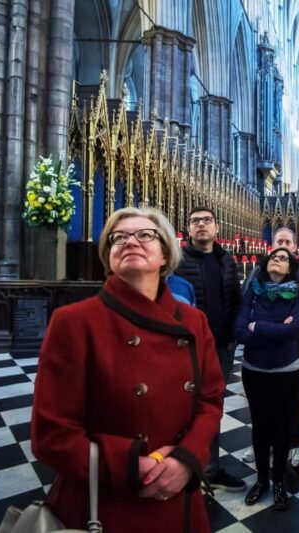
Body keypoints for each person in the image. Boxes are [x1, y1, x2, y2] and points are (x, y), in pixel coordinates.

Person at [31, 207, 224, 532]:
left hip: (177, 499)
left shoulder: (193, 321)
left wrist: (186, 460)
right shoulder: (75, 321)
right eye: (118, 238)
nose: (130, 241)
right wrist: (133, 466)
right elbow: (51, 433)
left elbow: (210, 401)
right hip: (106, 502)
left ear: (165, 253)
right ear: (109, 256)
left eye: (144, 235)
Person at [175, 206, 246, 492]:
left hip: (221, 347)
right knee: (182, 409)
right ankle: (183, 465)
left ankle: (210, 467)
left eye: (207, 221)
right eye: (195, 222)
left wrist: (235, 336)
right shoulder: (176, 261)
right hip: (187, 349)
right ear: (188, 229)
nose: (201, 225)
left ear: (216, 228)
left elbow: (236, 300)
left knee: (211, 407)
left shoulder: (226, 259)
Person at [234, 248, 299, 510]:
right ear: (266, 264)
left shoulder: (298, 292)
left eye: (284, 258)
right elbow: (240, 330)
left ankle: (278, 481)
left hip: (286, 369)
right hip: (255, 370)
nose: (278, 259)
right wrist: (276, 330)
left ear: (291, 268)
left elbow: (295, 329)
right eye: (274, 256)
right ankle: (261, 479)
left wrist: (259, 326)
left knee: (282, 428)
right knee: (260, 427)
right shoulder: (253, 289)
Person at [240, 227, 299, 470]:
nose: (282, 245)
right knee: (261, 405)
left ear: (294, 245)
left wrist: (257, 327)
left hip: (290, 353)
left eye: (287, 242)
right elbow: (242, 318)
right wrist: (275, 329)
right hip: (258, 356)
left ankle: (294, 443)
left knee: (294, 401)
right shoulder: (257, 274)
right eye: (278, 241)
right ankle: (263, 443)